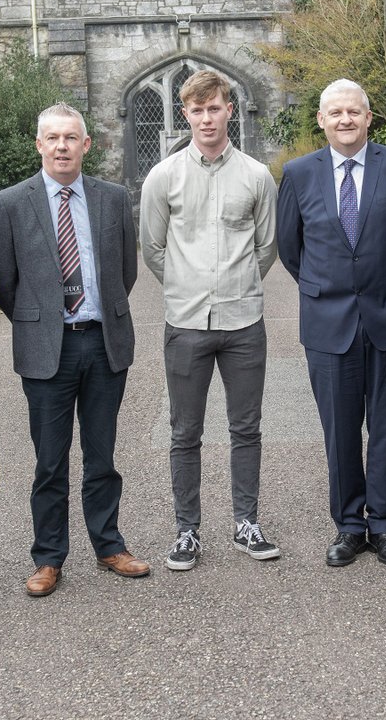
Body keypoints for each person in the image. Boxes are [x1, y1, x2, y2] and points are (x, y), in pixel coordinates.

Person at [0, 103, 149, 597]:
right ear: (39, 145)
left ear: (86, 145)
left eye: (70, 138)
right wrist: (41, 323)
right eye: (52, 138)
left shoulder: (113, 198)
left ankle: (108, 546)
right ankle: (48, 557)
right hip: (46, 350)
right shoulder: (11, 202)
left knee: (102, 456)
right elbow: (2, 280)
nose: (61, 146)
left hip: (103, 344)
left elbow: (125, 271)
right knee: (50, 461)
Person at [277, 78, 386, 568]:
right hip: (328, 322)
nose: (345, 120)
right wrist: (327, 286)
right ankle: (349, 525)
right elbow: (289, 247)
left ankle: (382, 524)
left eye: (354, 112)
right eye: (335, 112)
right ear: (321, 120)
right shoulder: (299, 173)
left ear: (369, 118)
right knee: (339, 430)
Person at [140, 69, 281, 571]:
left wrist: (236, 284)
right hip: (186, 322)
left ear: (229, 110)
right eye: (196, 110)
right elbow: (152, 247)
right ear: (186, 114)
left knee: (246, 428)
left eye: (214, 107)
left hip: (244, 320)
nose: (206, 117)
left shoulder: (257, 176)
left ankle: (246, 522)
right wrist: (186, 285)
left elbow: (267, 247)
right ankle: (187, 531)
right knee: (185, 432)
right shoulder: (164, 176)